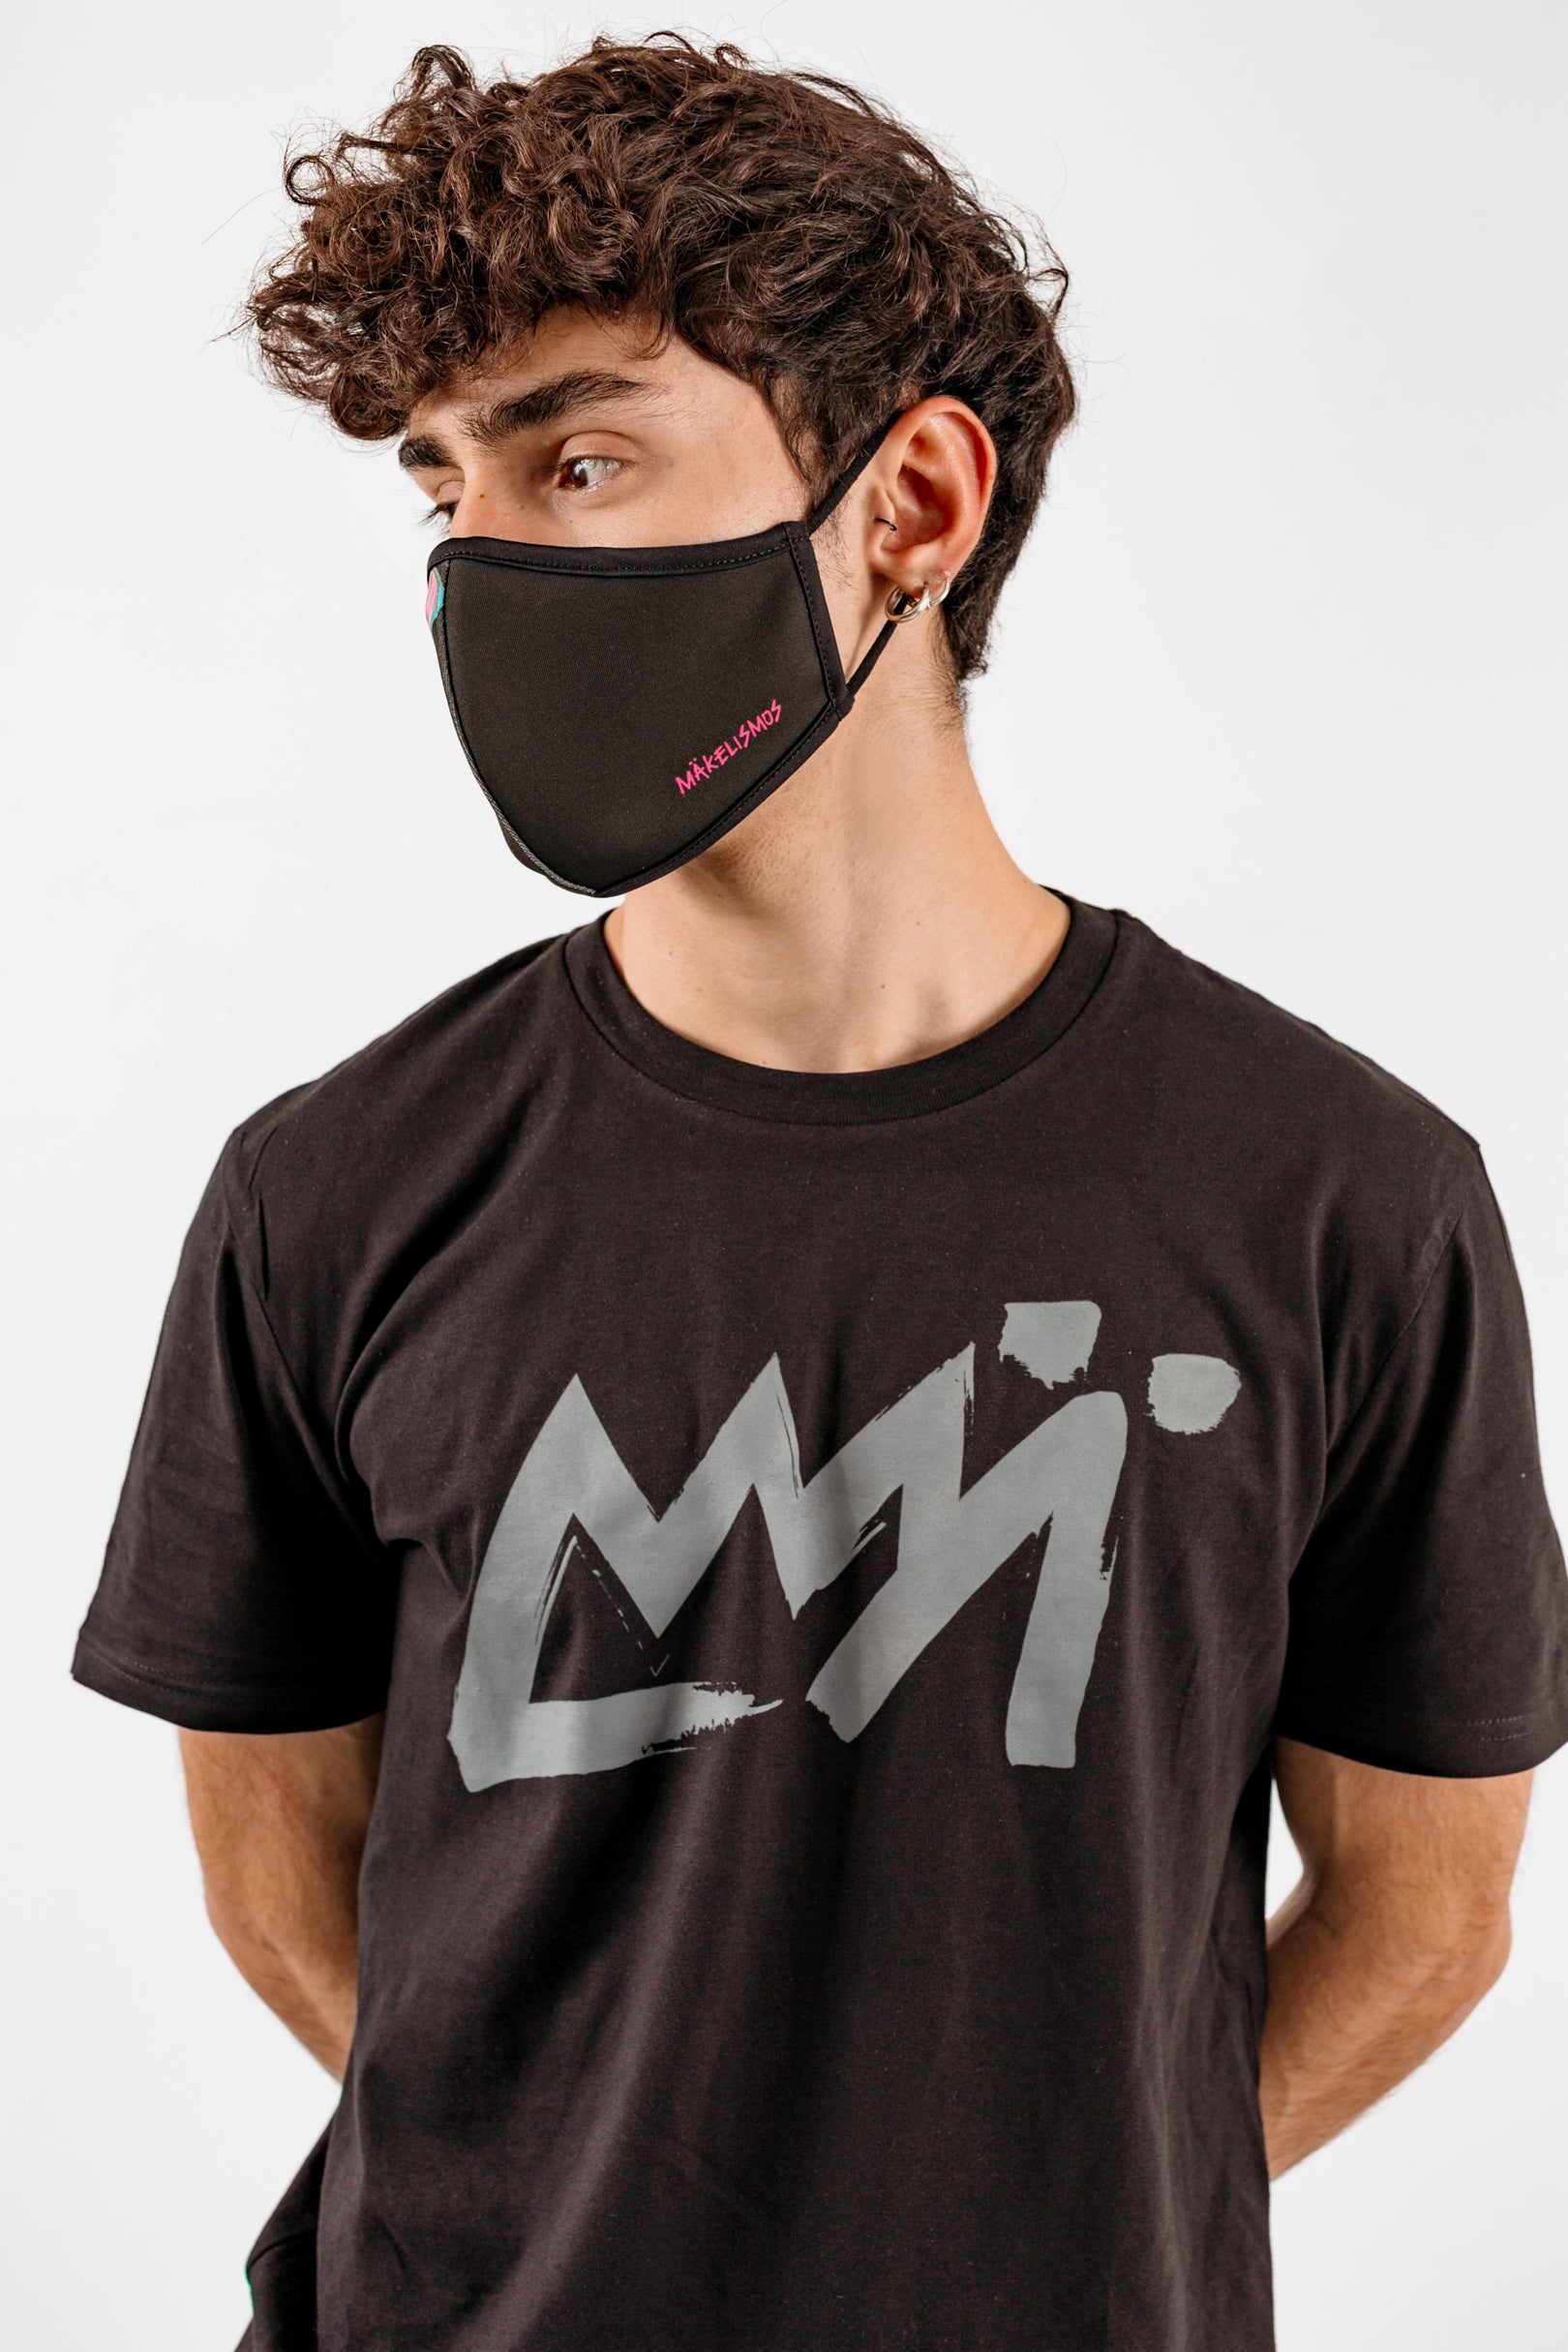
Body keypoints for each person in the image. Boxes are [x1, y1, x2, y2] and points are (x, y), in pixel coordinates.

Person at [72, 36, 1567, 2352]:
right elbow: (285, 1874)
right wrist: (571, 2192)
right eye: (445, 486)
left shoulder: (1344, 1204)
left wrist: (1038, 2233)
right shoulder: (337, 1190)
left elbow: (1427, 1912)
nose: (483, 559)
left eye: (580, 458)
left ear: (912, 507)